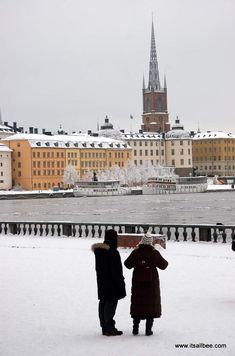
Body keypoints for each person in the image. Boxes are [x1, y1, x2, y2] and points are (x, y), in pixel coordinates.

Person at [124, 231, 168, 336]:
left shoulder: (135, 252)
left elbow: (127, 264)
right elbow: (164, 265)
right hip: (151, 285)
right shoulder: (154, 253)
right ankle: (148, 330)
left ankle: (135, 329)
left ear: (142, 242)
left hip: (137, 284)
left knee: (137, 304)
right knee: (150, 305)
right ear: (151, 243)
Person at [91, 229, 126, 336]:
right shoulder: (113, 253)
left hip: (102, 282)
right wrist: (121, 284)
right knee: (110, 305)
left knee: (103, 303)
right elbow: (117, 272)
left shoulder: (99, 251)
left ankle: (104, 327)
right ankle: (110, 328)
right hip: (112, 284)